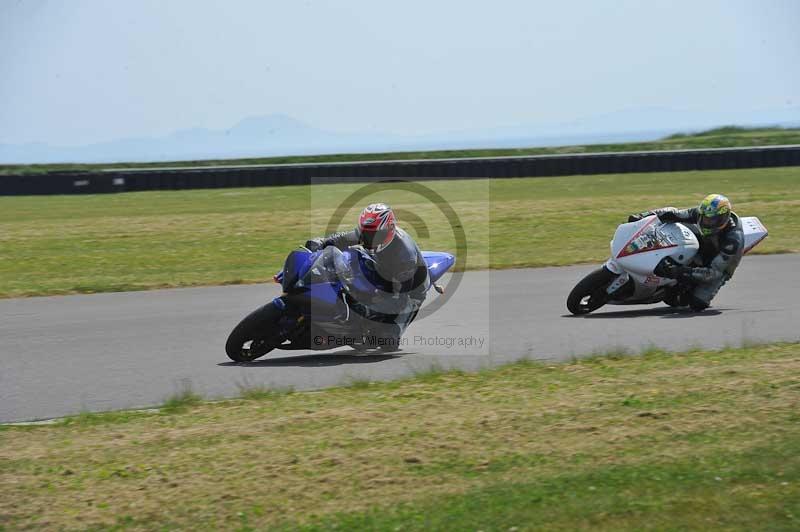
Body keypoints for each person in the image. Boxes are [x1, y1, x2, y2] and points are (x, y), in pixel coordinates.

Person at [305, 203, 429, 348]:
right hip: (381, 266)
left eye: (376, 235)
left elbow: (400, 299)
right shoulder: (368, 232)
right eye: (366, 233)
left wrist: (367, 309)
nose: (369, 239)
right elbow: (341, 239)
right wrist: (321, 242)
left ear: (389, 230)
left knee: (386, 340)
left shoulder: (404, 256)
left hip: (409, 290)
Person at [628, 193, 744, 311]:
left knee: (697, 303)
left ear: (722, 218)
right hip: (705, 245)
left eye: (711, 220)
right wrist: (643, 216)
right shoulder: (700, 214)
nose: (706, 222)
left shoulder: (732, 241)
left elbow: (713, 273)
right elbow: (674, 213)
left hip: (719, 268)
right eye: (705, 218)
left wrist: (677, 271)